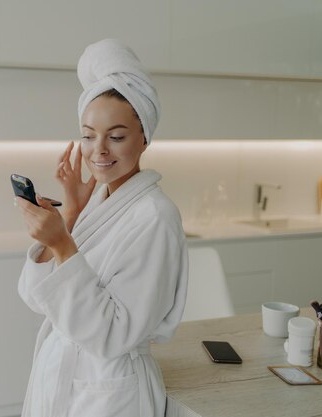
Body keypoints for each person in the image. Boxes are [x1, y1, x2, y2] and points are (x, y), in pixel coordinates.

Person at [14, 39, 189, 417]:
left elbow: (114, 334)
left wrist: (63, 244)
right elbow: (35, 298)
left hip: (110, 394)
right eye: (88, 135)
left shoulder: (156, 216)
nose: (99, 151)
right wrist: (72, 215)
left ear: (144, 138)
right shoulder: (98, 205)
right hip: (66, 380)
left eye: (117, 136)